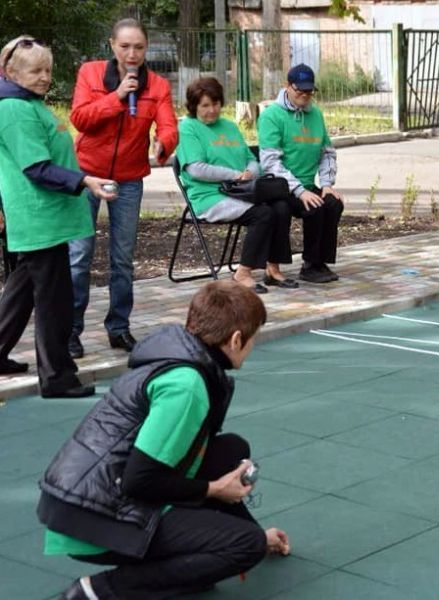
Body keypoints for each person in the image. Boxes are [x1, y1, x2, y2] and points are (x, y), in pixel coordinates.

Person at [37, 280, 291, 600]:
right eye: (254, 338)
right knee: (244, 546)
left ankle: (191, 561)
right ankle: (98, 592)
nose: (253, 346)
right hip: (93, 518)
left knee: (231, 450)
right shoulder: (187, 386)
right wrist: (218, 495)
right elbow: (139, 480)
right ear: (237, 339)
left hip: (83, 499)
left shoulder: (179, 356)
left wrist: (258, 531)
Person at [0, 35, 116, 396]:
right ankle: (56, 377)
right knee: (54, 300)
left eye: (47, 69)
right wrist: (85, 181)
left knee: (21, 290)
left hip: (44, 217)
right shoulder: (15, 110)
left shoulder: (29, 103)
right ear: (11, 72)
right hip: (40, 218)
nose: (44, 77)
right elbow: (36, 167)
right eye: (35, 70)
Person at [68, 18, 178, 359]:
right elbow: (80, 119)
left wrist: (164, 143)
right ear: (113, 46)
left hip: (129, 178)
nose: (132, 54)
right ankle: (70, 331)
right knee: (79, 257)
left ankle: (118, 327)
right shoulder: (90, 73)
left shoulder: (157, 85)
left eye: (139, 47)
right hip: (86, 174)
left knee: (123, 259)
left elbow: (169, 126)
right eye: (125, 46)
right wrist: (116, 97)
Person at [177, 77, 296, 293]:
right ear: (194, 106)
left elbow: (251, 158)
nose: (212, 110)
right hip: (209, 196)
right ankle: (243, 272)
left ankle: (273, 269)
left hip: (240, 191)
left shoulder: (230, 126)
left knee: (281, 206)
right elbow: (196, 169)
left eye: (216, 104)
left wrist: (251, 171)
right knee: (262, 214)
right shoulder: (188, 128)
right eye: (205, 105)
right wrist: (235, 175)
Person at [258, 63, 344, 284]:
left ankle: (315, 263)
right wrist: (298, 190)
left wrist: (326, 184)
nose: (305, 95)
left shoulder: (315, 115)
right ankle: (307, 264)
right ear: (287, 86)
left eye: (309, 91)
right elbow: (270, 162)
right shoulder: (271, 116)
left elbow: (327, 152)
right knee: (313, 205)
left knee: (332, 202)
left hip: (306, 184)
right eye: (300, 90)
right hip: (279, 186)